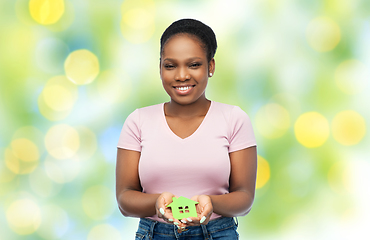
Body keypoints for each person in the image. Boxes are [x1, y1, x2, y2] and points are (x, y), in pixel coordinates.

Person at [116, 18, 257, 239]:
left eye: (194, 64)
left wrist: (211, 204)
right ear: (160, 66)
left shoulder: (234, 119)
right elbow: (124, 198)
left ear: (210, 66)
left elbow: (245, 198)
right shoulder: (138, 121)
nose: (181, 75)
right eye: (170, 65)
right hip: (154, 234)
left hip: (217, 233)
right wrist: (156, 203)